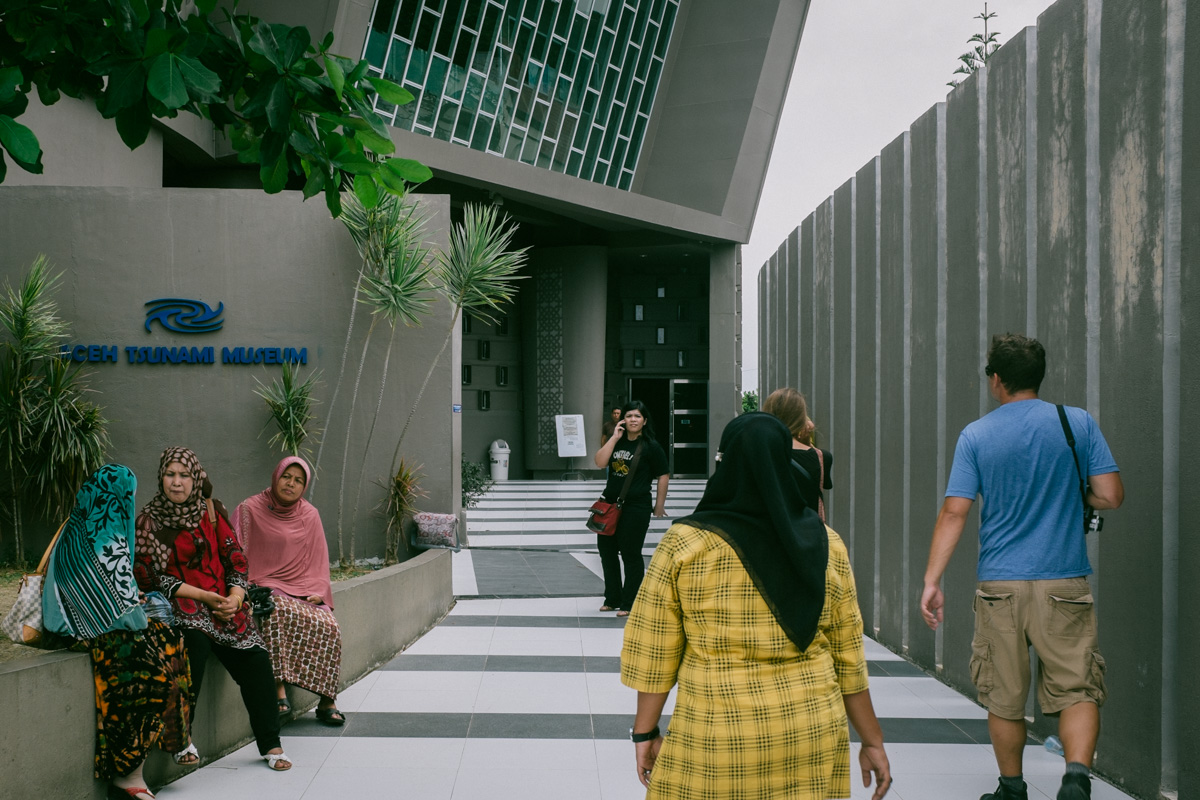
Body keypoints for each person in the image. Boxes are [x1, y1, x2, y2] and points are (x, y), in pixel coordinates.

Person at [621, 413, 891, 800]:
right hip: (810, 730)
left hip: (715, 734)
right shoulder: (826, 544)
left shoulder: (685, 544)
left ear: (724, 463)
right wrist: (873, 741)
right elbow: (849, 657)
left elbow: (654, 652)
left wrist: (645, 732)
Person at [919, 334, 1123, 800]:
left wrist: (932, 580)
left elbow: (955, 512)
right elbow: (1111, 494)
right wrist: (1075, 498)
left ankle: (1012, 789)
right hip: (1065, 582)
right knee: (1077, 688)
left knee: (1004, 695)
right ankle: (1075, 780)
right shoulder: (1076, 424)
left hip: (1001, 586)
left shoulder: (977, 434)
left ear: (996, 380)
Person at [134, 447, 292, 772]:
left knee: (256, 657)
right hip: (184, 605)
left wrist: (234, 598)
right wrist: (204, 597)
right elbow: (149, 576)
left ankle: (271, 743)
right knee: (194, 643)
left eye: (184, 475)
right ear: (160, 477)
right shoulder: (148, 521)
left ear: (196, 479)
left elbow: (235, 557)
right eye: (170, 474)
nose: (176, 483)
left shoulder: (211, 511)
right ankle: (180, 739)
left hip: (223, 605)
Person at [42, 464, 192, 800]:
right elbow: (126, 615)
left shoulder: (85, 526)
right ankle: (127, 773)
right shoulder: (103, 535)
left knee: (172, 642)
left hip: (100, 625)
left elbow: (117, 596)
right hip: (90, 633)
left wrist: (132, 602)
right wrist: (132, 607)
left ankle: (178, 742)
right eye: (126, 496)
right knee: (149, 671)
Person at [234, 456, 345, 725]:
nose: (291, 484)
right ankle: (278, 692)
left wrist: (319, 590)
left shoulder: (309, 514)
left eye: (298, 481)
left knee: (329, 625)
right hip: (265, 585)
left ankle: (326, 700)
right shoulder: (249, 509)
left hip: (304, 588)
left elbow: (319, 559)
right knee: (276, 610)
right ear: (276, 476)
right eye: (287, 477)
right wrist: (242, 587)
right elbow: (235, 551)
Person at [593, 400, 669, 616]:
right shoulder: (616, 442)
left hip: (636, 507)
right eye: (629, 416)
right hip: (609, 505)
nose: (633, 420)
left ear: (644, 421)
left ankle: (630, 602)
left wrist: (659, 506)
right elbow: (599, 462)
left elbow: (663, 474)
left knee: (630, 553)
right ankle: (612, 598)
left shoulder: (651, 446)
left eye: (637, 416)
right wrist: (614, 438)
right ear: (622, 419)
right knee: (606, 552)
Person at [762, 387, 833, 521]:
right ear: (802, 418)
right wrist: (806, 440)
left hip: (768, 534)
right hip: (809, 536)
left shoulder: (759, 453)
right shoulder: (822, 458)